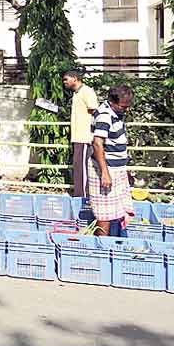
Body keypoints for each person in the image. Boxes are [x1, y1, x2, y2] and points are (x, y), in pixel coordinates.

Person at [88, 85, 135, 237]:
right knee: (105, 212)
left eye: (128, 106)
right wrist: (105, 173)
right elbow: (97, 143)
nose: (126, 109)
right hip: (106, 169)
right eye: (123, 106)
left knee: (116, 208)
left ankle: (112, 241)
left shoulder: (116, 112)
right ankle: (103, 246)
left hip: (116, 167)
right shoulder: (105, 115)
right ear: (112, 102)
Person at [63, 70, 98, 198]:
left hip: (84, 137)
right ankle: (79, 195)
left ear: (75, 78)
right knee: (78, 168)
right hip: (77, 137)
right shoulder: (76, 94)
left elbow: (94, 111)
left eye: (66, 79)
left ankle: (82, 198)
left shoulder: (87, 91)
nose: (65, 82)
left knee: (82, 169)